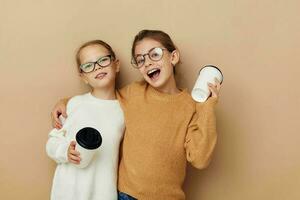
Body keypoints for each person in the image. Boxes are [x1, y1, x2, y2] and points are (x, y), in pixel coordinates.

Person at [51, 30, 221, 200]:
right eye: (140, 59)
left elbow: (200, 159)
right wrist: (66, 102)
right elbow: (101, 100)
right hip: (126, 195)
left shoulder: (191, 107)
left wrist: (207, 107)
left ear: (173, 57)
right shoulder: (134, 93)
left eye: (154, 54)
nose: (147, 63)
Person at [46, 40, 124, 200]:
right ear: (83, 77)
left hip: (103, 192)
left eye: (103, 60)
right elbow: (51, 143)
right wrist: (65, 152)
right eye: (88, 65)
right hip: (68, 191)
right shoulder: (74, 104)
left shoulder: (125, 110)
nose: (97, 67)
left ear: (116, 65)